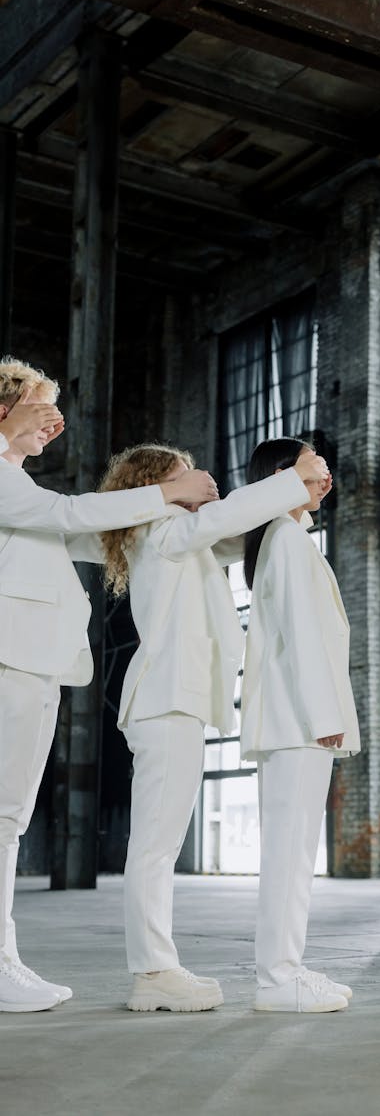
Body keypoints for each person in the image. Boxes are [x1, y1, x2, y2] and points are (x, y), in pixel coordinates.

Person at [0, 356, 218, 1013]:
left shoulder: (19, 485)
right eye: (41, 406)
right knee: (3, 819)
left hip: (31, 662)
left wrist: (156, 519)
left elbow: (84, 531)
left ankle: (6, 957)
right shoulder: (10, 482)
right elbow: (68, 514)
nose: (54, 419)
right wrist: (166, 494)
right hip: (13, 660)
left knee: (8, 822)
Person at [96, 440, 329, 1012]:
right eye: (184, 472)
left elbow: (236, 529)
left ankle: (157, 967)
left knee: (159, 843)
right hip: (165, 703)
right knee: (155, 846)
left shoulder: (180, 539)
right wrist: (292, 477)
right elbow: (226, 519)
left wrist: (295, 496)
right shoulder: (161, 530)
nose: (202, 477)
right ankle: (153, 971)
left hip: (172, 704)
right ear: (157, 485)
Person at [241, 438, 360, 1014]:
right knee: (288, 855)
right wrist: (325, 715)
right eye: (311, 464)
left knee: (294, 854)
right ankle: (277, 979)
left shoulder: (289, 540)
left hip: (296, 721)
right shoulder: (285, 540)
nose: (325, 473)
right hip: (297, 723)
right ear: (280, 477)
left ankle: (287, 967)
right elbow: (301, 636)